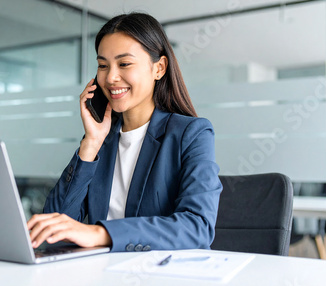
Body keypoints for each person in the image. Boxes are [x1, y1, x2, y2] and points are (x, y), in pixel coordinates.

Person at [27, 12, 222, 252]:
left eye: (124, 64)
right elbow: (53, 229)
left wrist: (100, 233)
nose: (110, 77)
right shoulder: (102, 141)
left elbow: (197, 227)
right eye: (102, 65)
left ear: (159, 68)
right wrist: (91, 142)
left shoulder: (191, 134)